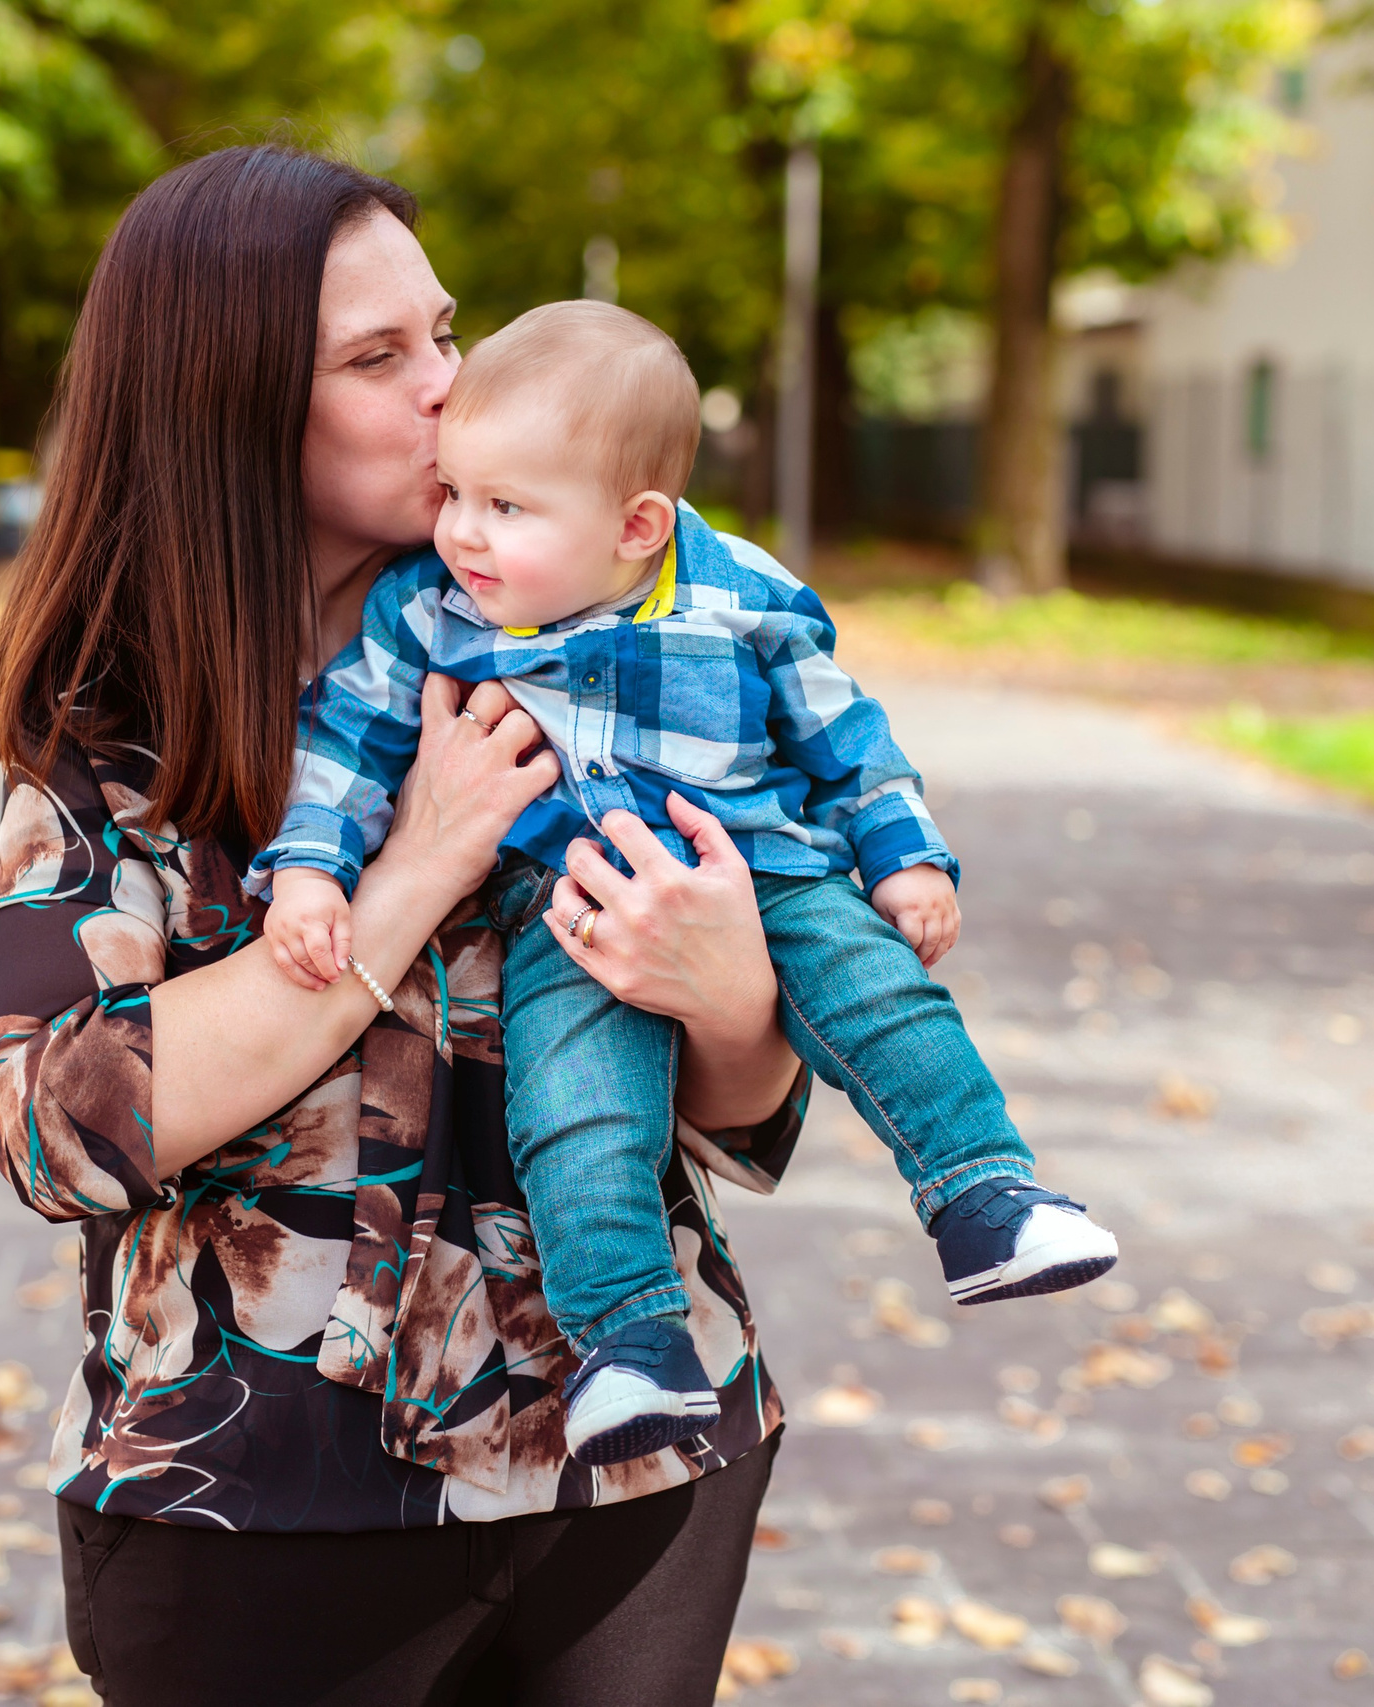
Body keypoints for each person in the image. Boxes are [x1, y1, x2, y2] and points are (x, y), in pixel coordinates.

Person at [0, 147, 813, 1706]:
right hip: (256, 1502)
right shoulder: (114, 729)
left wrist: (729, 995)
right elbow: (55, 1132)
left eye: (444, 333)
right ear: (226, 404)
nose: (450, 387)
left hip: (634, 1471)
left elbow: (749, 1127)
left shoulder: (606, 653)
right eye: (379, 358)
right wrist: (410, 869)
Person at [249, 301, 1120, 1467]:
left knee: (883, 1001)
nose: (460, 530)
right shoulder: (429, 614)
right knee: (576, 1108)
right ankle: (627, 1343)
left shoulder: (741, 595)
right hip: (571, 911)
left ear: (636, 525)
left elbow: (842, 732)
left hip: (773, 871)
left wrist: (903, 855)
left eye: (504, 507)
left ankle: (983, 1196)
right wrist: (311, 868)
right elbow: (346, 743)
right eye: (454, 493)